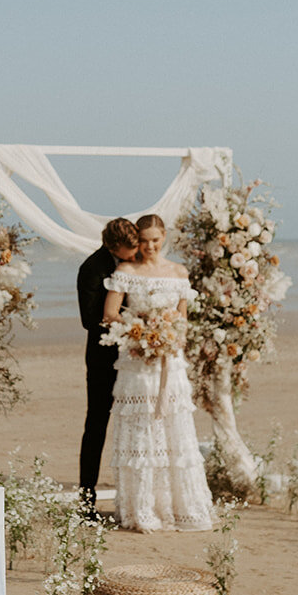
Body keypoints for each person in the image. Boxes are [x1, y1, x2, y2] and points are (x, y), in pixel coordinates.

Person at [101, 213, 215, 532]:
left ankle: (180, 507)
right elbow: (110, 314)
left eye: (156, 240)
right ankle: (143, 509)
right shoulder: (126, 271)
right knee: (141, 428)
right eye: (145, 240)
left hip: (170, 361)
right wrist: (140, 331)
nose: (150, 246)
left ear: (164, 236)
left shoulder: (178, 272)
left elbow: (182, 320)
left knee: (173, 426)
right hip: (138, 363)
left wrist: (169, 338)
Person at [77, 216, 140, 514]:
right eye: (132, 247)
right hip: (103, 358)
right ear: (114, 246)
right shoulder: (91, 268)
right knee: (97, 424)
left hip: (137, 356)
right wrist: (126, 321)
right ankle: (86, 496)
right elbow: (89, 320)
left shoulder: (138, 262)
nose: (138, 251)